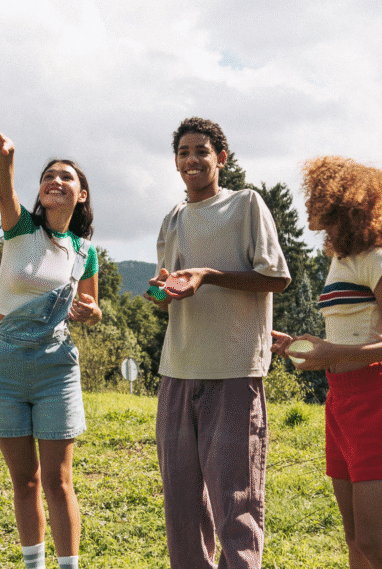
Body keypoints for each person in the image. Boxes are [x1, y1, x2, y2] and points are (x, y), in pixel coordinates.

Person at [145, 117, 291, 568]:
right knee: (182, 509)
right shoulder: (172, 218)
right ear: (175, 162)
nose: (191, 160)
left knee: (235, 502)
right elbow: (166, 295)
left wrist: (208, 276)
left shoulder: (245, 205)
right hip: (177, 371)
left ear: (221, 158)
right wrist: (160, 293)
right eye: (183, 152)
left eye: (201, 151)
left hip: (233, 370)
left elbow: (277, 278)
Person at [271, 156, 382, 569]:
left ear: (345, 205)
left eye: (320, 203)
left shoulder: (379, 259)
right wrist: (300, 345)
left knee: (376, 542)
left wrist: (333, 353)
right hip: (341, 400)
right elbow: (349, 330)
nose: (312, 213)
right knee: (356, 541)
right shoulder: (340, 260)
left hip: (379, 398)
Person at [0, 119, 101, 569]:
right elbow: (4, 190)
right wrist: (6, 155)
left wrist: (91, 312)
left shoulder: (85, 250)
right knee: (24, 480)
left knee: (58, 481)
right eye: (48, 175)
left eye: (66, 176)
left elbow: (91, 306)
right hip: (3, 364)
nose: (55, 181)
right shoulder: (20, 228)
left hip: (54, 366)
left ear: (81, 194)